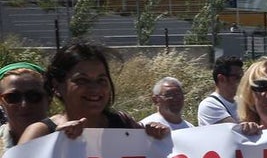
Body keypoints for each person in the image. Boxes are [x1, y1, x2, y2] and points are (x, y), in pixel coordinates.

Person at [21, 42, 169, 144]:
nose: (95, 89)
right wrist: (53, 145)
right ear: (57, 86)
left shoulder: (124, 125)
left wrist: (157, 138)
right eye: (82, 80)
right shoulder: (40, 135)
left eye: (101, 80)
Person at [0, 61, 52, 158]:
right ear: (1, 102)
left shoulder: (67, 140)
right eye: (13, 97)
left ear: (49, 99)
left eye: (33, 96)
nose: (24, 105)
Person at [197, 56, 243, 125]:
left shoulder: (241, 102)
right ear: (221, 79)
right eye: (237, 77)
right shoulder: (210, 105)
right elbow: (237, 131)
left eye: (243, 77)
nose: (242, 81)